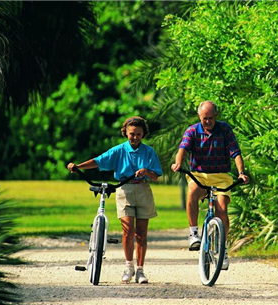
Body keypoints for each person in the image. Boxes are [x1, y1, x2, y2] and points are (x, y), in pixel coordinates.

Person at [67, 116, 162, 284]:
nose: (135, 137)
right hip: (124, 189)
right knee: (127, 231)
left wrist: (146, 172)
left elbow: (155, 176)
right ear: (125, 133)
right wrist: (78, 167)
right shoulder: (118, 150)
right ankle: (128, 266)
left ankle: (140, 270)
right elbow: (98, 161)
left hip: (143, 190)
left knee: (141, 233)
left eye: (138, 134)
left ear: (143, 135)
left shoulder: (149, 152)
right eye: (132, 134)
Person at [171, 100, 249, 270]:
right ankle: (193, 234)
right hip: (199, 175)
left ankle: (223, 249)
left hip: (221, 176)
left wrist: (241, 172)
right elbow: (182, 149)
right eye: (205, 118)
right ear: (199, 116)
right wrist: (178, 163)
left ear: (216, 116)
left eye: (211, 118)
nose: (208, 122)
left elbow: (236, 153)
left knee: (222, 209)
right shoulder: (192, 130)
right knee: (192, 191)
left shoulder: (225, 129)